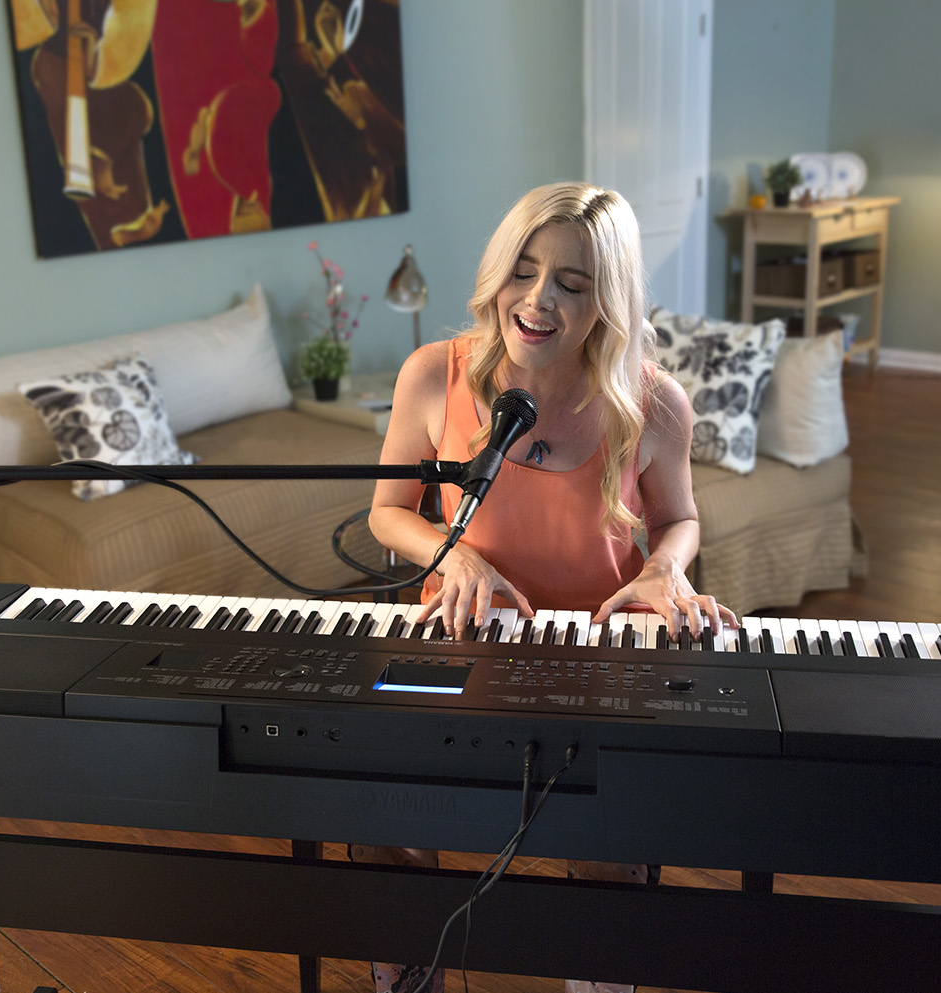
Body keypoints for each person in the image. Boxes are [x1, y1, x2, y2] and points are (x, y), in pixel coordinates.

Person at [359, 181, 738, 993]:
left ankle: (597, 969)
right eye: (523, 271)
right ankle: (402, 958)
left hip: (593, 656)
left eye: (572, 283)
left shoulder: (653, 402)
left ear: (609, 301)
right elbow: (387, 513)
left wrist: (665, 567)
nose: (536, 301)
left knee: (609, 835)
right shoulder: (434, 374)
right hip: (458, 639)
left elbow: (680, 520)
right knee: (378, 786)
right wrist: (450, 553)